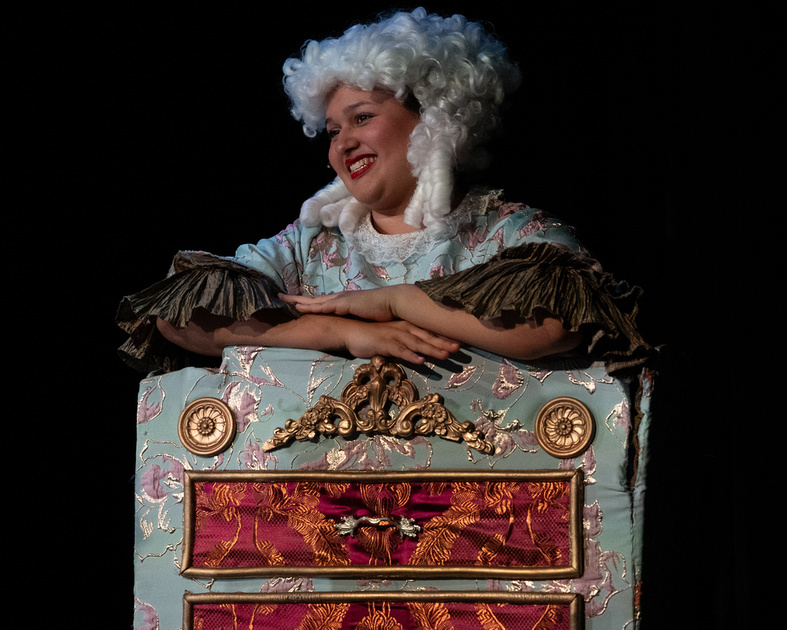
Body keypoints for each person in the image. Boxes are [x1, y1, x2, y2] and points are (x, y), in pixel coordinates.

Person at [117, 7, 649, 373]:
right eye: (331, 132)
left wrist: (395, 301)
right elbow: (178, 316)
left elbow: (558, 322)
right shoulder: (311, 245)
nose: (342, 143)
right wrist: (339, 333)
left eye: (362, 118)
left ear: (436, 120)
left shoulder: (510, 234)